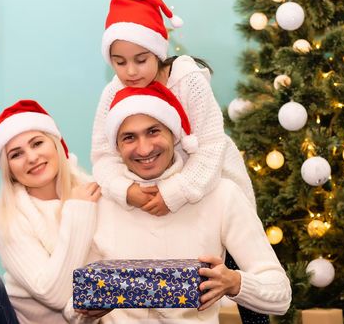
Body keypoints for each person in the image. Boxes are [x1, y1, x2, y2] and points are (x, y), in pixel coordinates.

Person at [92, 0, 267, 323]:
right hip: (160, 195)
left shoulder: (187, 80)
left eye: (140, 60)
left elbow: (212, 146)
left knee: (238, 273)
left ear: (158, 50)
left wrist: (175, 192)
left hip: (211, 184)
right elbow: (102, 154)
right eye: (119, 62)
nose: (130, 71)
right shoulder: (113, 90)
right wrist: (125, 191)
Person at [68, 83, 291, 323]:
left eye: (153, 131)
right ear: (117, 147)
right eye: (129, 137)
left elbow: (280, 295)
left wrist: (235, 283)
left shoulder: (221, 195)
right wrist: (87, 311)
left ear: (174, 134)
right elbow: (71, 309)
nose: (144, 148)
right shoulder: (99, 201)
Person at [0, 100, 101, 324]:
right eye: (16, 154)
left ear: (56, 144)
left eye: (37, 143)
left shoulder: (94, 192)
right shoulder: (7, 217)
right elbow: (54, 295)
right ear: (8, 169)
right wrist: (77, 213)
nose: (31, 157)